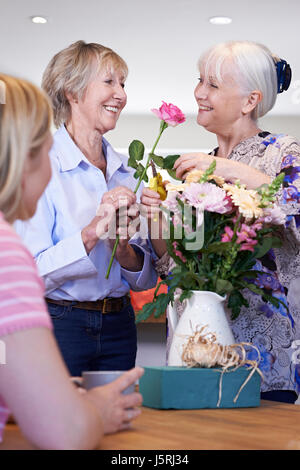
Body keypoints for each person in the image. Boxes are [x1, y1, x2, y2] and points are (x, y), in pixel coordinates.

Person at [141, 40, 300, 403]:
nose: (199, 92)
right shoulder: (196, 169)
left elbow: (295, 208)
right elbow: (175, 268)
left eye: (213, 84)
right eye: (200, 81)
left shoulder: (282, 152)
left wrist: (229, 169)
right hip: (192, 352)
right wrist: (156, 220)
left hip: (260, 361)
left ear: (250, 101)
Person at [0, 73, 144, 449]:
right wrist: (93, 407)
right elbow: (63, 433)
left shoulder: (129, 171)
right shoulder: (8, 258)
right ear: (26, 158)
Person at [15, 41, 157, 376]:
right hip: (61, 325)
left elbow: (144, 280)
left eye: (122, 83)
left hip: (120, 325)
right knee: (61, 426)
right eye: (109, 82)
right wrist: (94, 230)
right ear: (72, 91)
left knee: (119, 423)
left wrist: (124, 251)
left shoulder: (129, 171)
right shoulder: (38, 167)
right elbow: (29, 274)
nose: (120, 94)